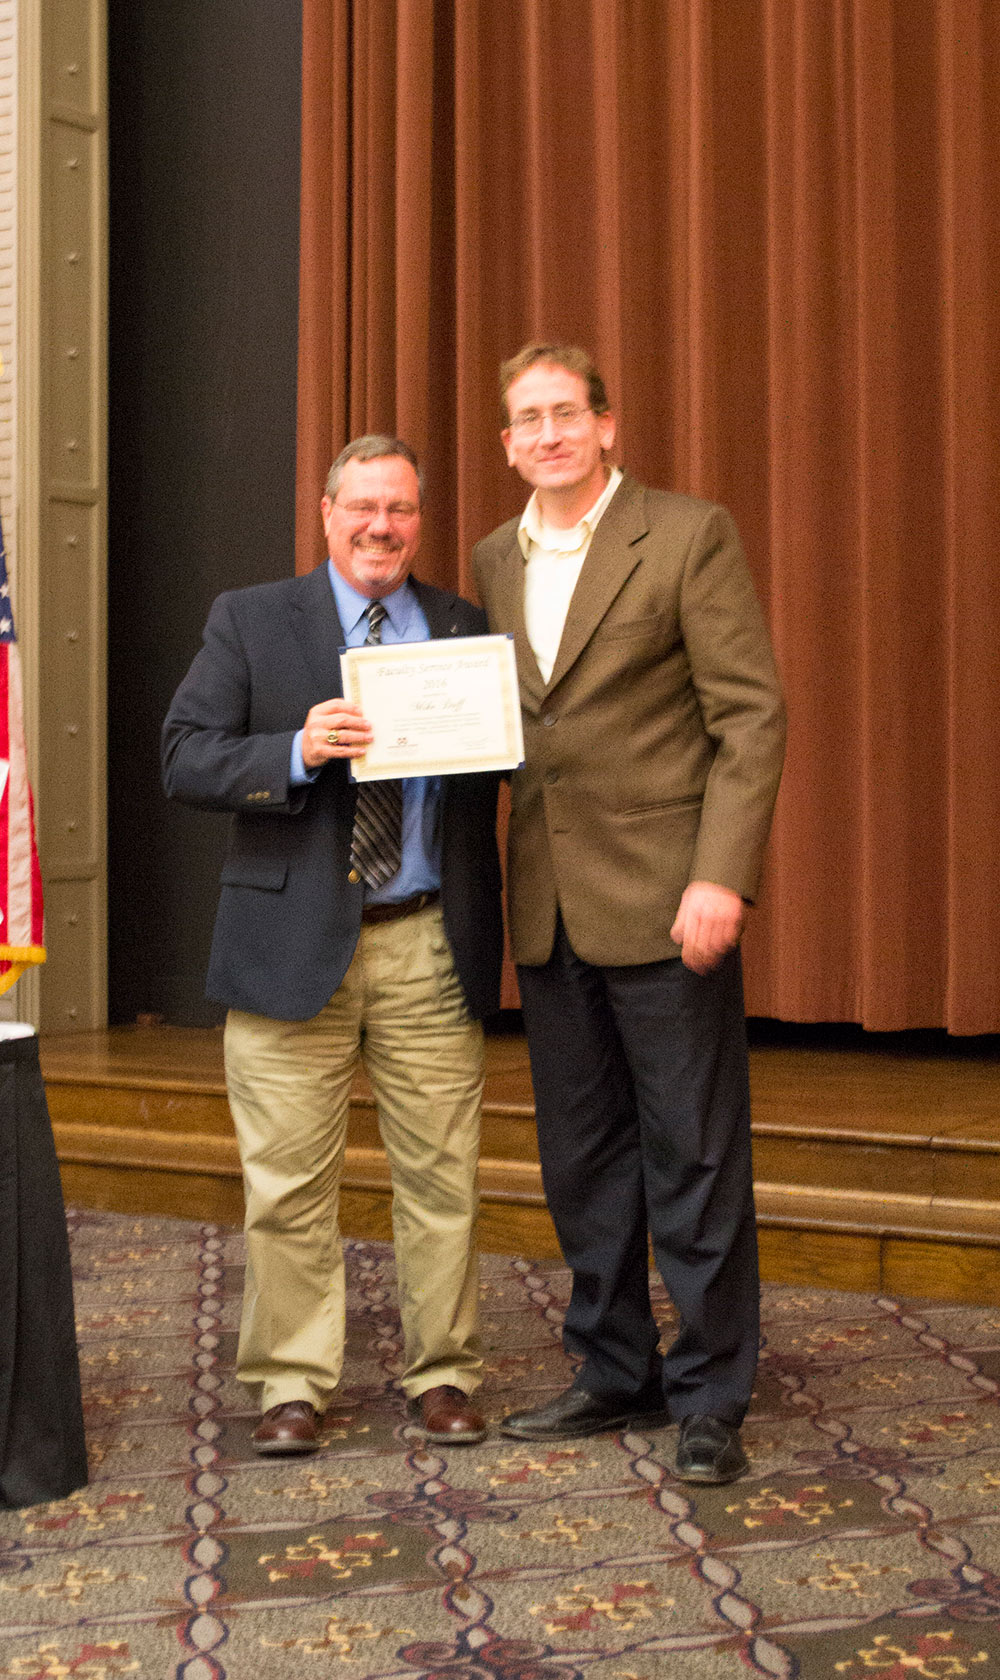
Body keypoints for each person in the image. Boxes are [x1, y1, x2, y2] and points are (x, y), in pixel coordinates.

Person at [471, 345, 785, 1484]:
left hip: (667, 899)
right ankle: (614, 1370)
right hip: (549, 906)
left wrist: (721, 875)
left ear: (606, 426)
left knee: (691, 1151)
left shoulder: (687, 533)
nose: (547, 434)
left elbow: (748, 717)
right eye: (526, 419)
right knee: (585, 1156)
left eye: (566, 413)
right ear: (506, 443)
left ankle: (710, 1393)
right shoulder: (492, 558)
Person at [163, 435, 503, 1455]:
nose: (380, 528)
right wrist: (297, 751)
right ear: (325, 512)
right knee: (286, 1184)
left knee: (444, 1180)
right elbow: (184, 754)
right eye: (362, 507)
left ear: (417, 520)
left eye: (399, 509)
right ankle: (292, 1383)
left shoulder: (460, 629)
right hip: (286, 944)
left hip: (426, 942)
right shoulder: (251, 619)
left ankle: (442, 1374)